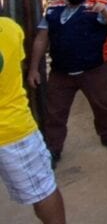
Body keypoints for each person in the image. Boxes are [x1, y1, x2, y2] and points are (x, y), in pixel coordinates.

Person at [28, 0, 107, 168]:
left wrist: (105, 13)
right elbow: (41, 38)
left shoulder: (100, 5)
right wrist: (34, 68)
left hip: (94, 70)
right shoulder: (53, 9)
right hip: (61, 71)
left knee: (103, 107)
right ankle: (53, 150)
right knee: (55, 113)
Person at [1, 17, 66, 223]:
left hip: (11, 129)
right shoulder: (10, 28)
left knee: (43, 191)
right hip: (13, 127)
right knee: (42, 189)